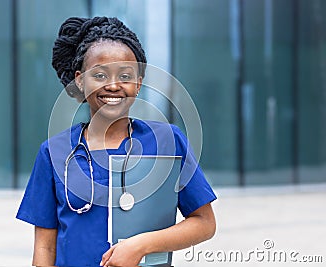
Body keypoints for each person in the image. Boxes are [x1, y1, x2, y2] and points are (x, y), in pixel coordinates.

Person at [16, 16, 216, 267]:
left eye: (125, 75)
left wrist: (141, 245)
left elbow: (204, 223)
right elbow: (45, 245)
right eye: (99, 75)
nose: (113, 86)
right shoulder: (54, 152)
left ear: (139, 83)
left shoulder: (168, 142)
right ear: (80, 80)